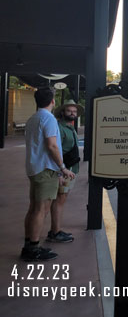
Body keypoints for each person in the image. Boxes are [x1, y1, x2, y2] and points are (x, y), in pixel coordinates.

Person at [21, 87, 75, 261]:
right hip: (46, 169)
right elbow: (52, 145)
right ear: (52, 101)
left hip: (34, 168)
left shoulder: (33, 118)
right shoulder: (49, 119)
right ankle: (33, 249)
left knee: (33, 208)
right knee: (41, 210)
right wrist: (62, 167)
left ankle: (29, 244)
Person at [48, 100, 84, 243]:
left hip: (71, 170)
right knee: (59, 200)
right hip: (64, 171)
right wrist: (59, 172)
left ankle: (56, 230)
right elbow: (55, 150)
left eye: (74, 112)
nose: (72, 114)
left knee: (62, 199)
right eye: (69, 111)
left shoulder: (70, 127)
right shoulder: (59, 128)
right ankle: (55, 232)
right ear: (62, 112)